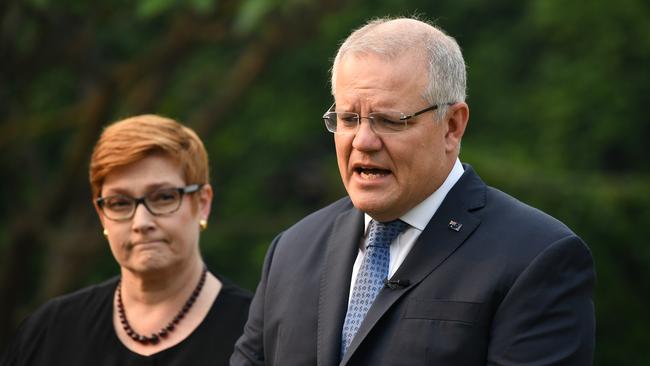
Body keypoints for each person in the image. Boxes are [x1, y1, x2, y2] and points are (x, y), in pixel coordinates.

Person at [231, 17, 595, 366]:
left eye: (389, 120)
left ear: (452, 126)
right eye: (348, 119)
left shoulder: (536, 256)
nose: (363, 141)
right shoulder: (292, 251)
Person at [1, 115, 251, 365]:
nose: (141, 222)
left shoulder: (255, 333)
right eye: (119, 203)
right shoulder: (50, 332)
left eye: (163, 197)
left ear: (203, 203)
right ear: (101, 215)